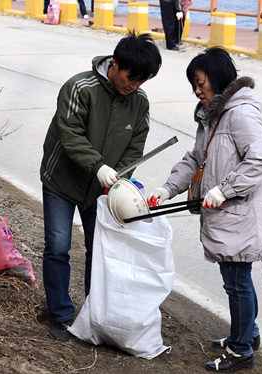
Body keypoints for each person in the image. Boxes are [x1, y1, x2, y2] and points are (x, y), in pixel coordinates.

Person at [147, 47, 262, 372]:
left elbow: (260, 160)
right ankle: (247, 333)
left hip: (242, 216)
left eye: (201, 81)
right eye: (193, 83)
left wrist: (224, 189)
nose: (197, 89)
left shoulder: (240, 114)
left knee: (238, 283)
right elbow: (195, 158)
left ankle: (241, 350)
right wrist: (167, 189)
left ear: (218, 78)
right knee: (236, 282)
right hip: (227, 217)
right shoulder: (213, 116)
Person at [39, 31, 162, 341]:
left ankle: (96, 314)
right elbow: (70, 135)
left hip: (103, 190)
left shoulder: (139, 103)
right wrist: (99, 166)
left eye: (141, 81)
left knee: (100, 251)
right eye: (130, 77)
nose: (133, 85)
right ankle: (61, 314)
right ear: (115, 64)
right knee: (57, 247)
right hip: (62, 181)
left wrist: (122, 178)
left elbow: (136, 147)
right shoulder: (80, 87)